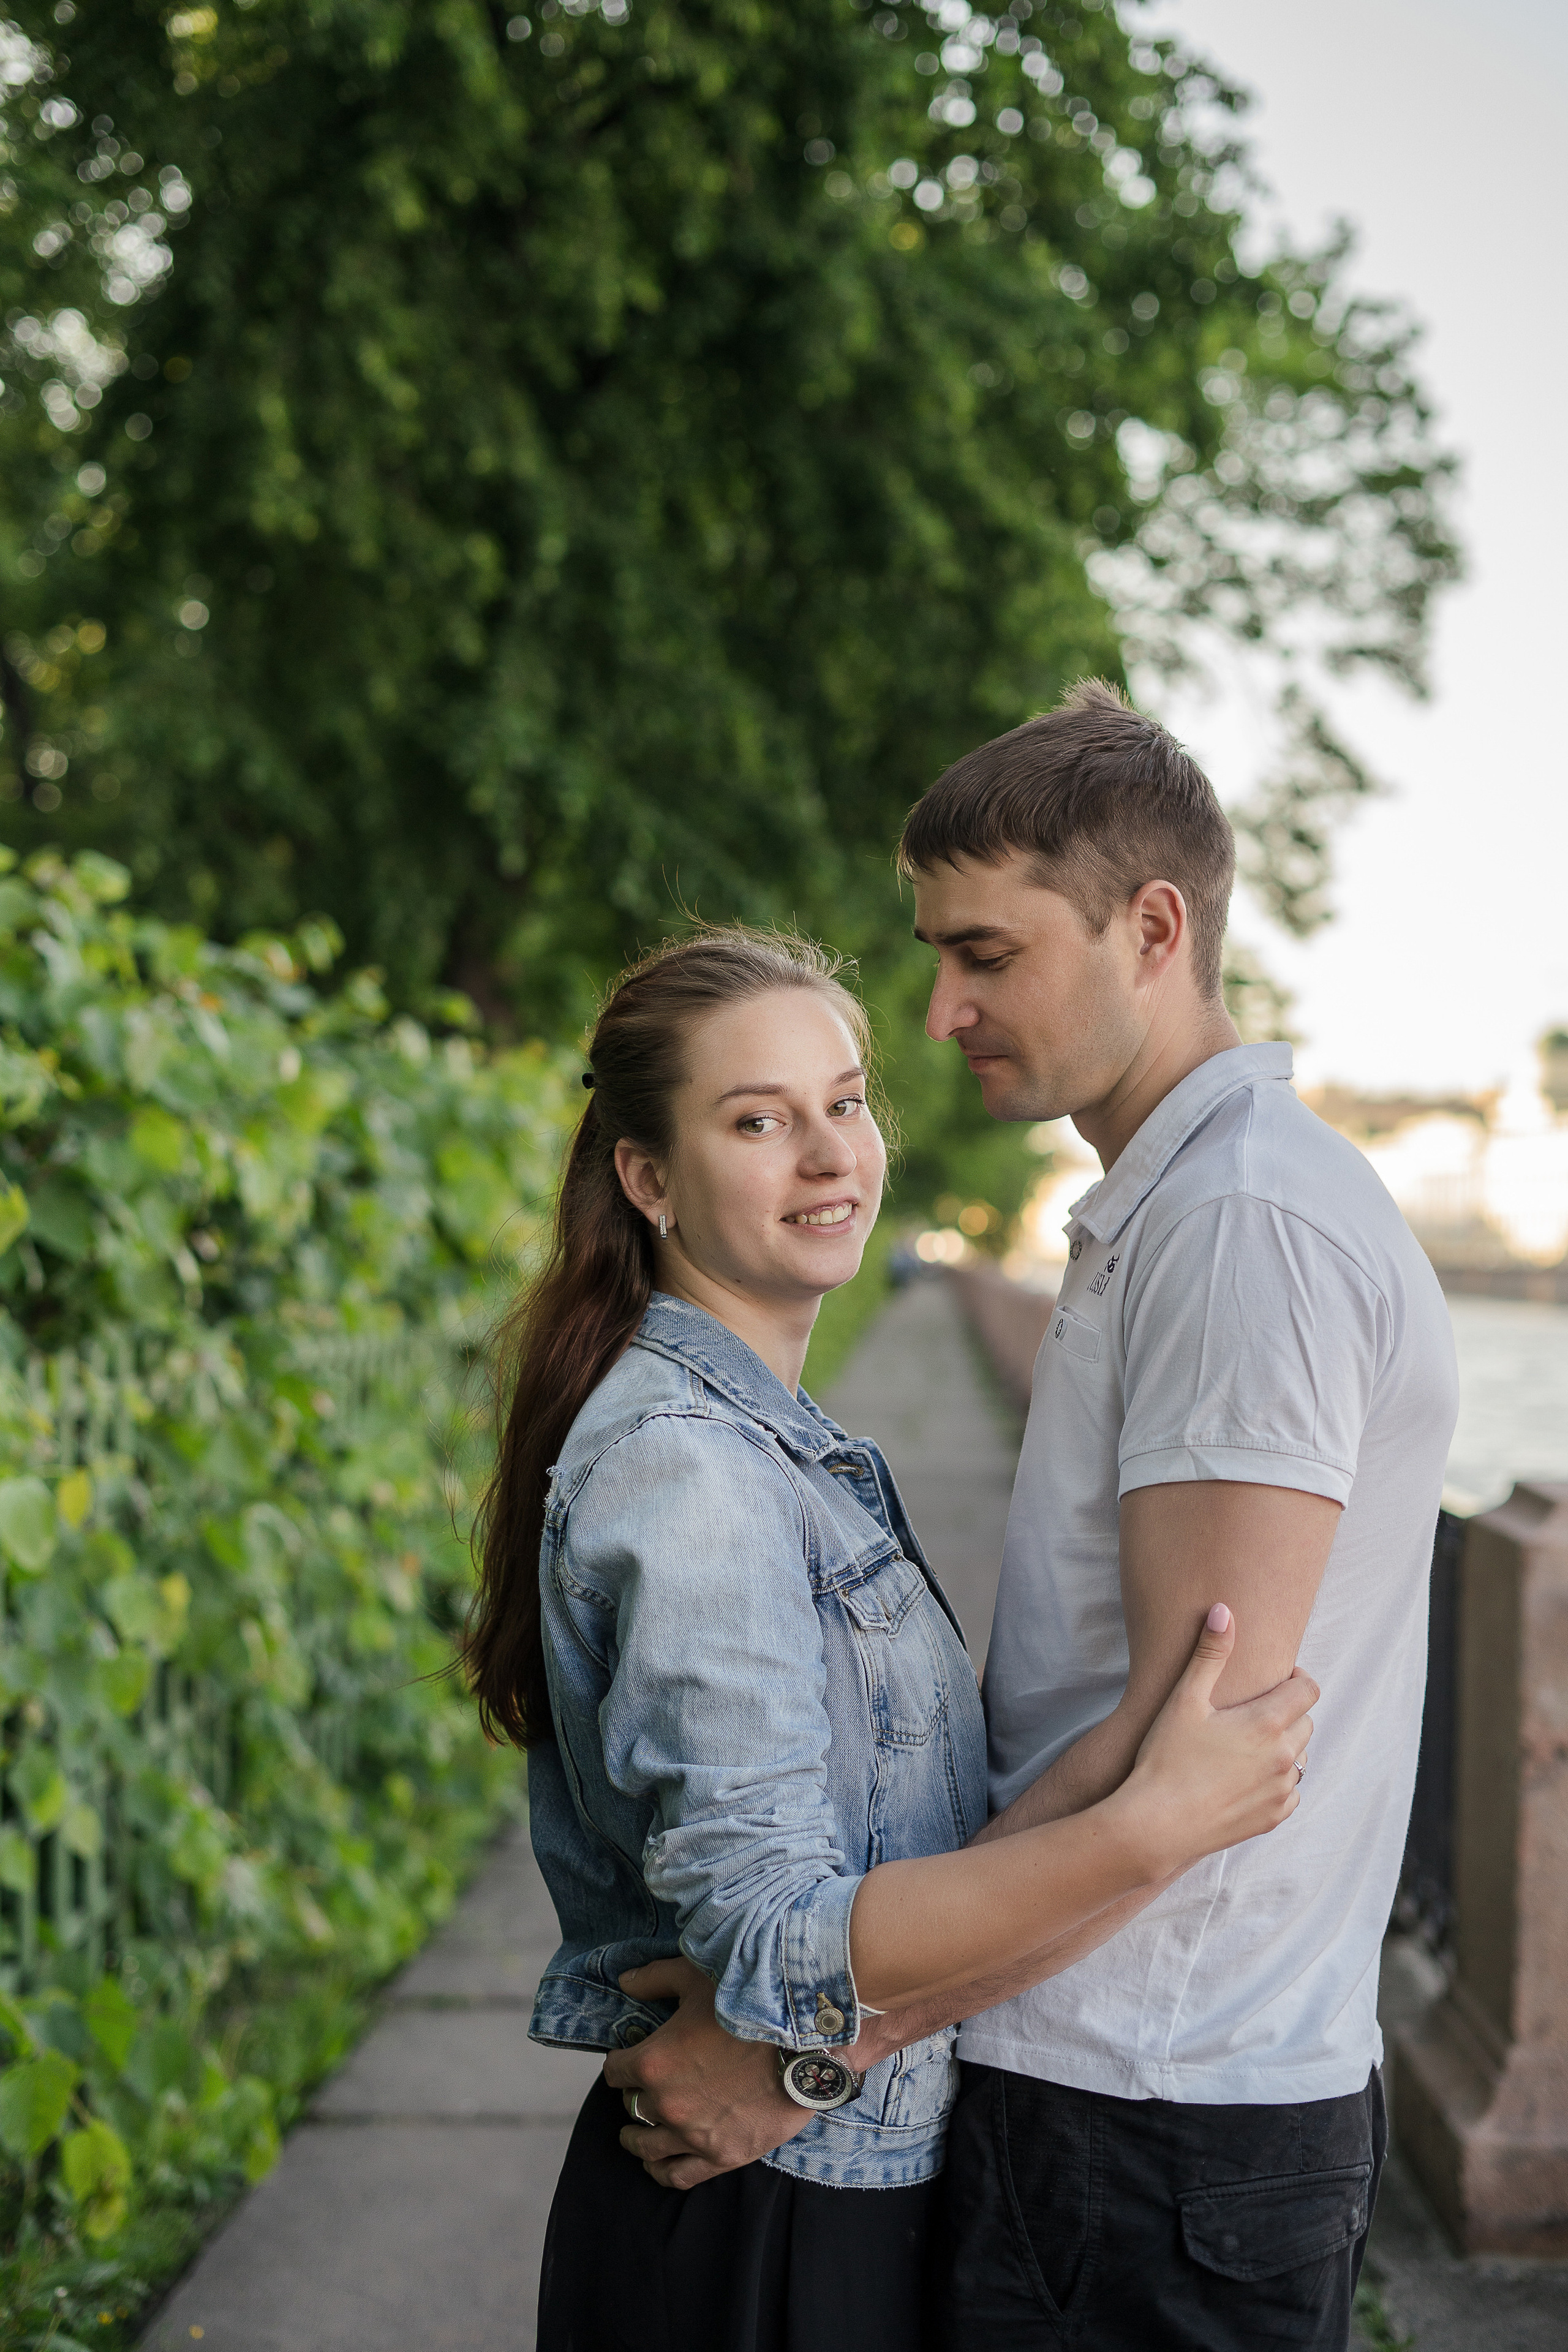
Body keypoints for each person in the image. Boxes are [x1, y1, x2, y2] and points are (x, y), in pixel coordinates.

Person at [609, 685, 1459, 2351]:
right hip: (1121, 2101)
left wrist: (807, 2052)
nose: (938, 1013)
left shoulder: (1243, 1229)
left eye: (986, 956)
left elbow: (1188, 1769)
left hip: (1149, 2115)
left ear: (1152, 928)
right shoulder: (1182, 1209)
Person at [462, 925, 1316, 2352]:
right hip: (762, 2226)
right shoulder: (691, 1474)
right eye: (757, 1121)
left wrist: (1134, 1769)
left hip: (819, 2185)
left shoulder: (776, 1449)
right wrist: (1148, 1830)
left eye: (844, 1102)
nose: (827, 1155)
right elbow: (781, 1943)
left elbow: (907, 1851)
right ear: (648, 1178)